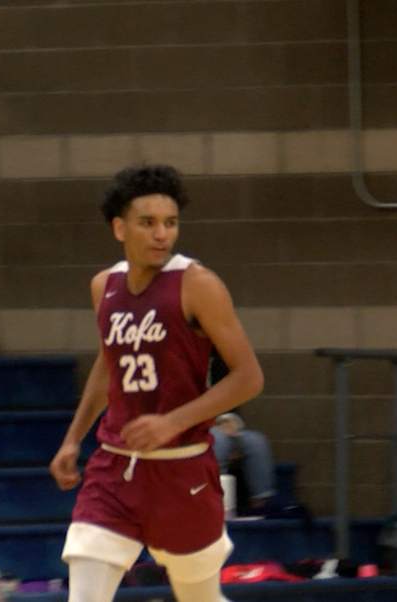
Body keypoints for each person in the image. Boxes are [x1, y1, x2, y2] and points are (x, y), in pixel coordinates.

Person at [48, 164, 264, 602]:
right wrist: (73, 438)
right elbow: (109, 364)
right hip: (114, 468)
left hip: (182, 469)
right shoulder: (103, 286)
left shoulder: (198, 284)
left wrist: (171, 422)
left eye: (170, 223)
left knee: (199, 598)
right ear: (119, 228)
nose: (162, 234)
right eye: (148, 223)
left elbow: (249, 378)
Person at [210, 412, 277, 513]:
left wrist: (228, 424)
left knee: (255, 440)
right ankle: (214, 502)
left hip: (219, 424)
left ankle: (260, 503)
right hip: (198, 430)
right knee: (219, 439)